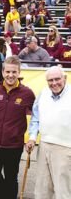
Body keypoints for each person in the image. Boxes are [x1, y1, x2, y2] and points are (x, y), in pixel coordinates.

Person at [0, 56, 35, 199]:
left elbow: (37, 117)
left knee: (11, 177)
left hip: (14, 146)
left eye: (14, 72)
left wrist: (30, 138)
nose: (10, 75)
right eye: (7, 72)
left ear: (19, 72)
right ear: (2, 72)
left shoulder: (27, 93)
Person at [25, 66, 71, 199]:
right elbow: (36, 118)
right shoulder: (44, 93)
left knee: (64, 190)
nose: (54, 83)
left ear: (65, 78)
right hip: (44, 146)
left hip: (66, 148)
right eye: (50, 80)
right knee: (42, 189)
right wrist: (32, 138)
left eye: (57, 79)